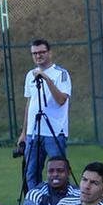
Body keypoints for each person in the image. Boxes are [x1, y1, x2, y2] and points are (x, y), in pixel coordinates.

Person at [13, 38, 71, 194]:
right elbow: (29, 105)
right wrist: (24, 133)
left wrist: (46, 78)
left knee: (59, 172)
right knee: (31, 173)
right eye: (34, 53)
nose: (38, 56)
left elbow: (61, 100)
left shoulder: (61, 74)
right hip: (33, 133)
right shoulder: (29, 75)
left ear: (49, 53)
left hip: (54, 132)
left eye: (41, 52)